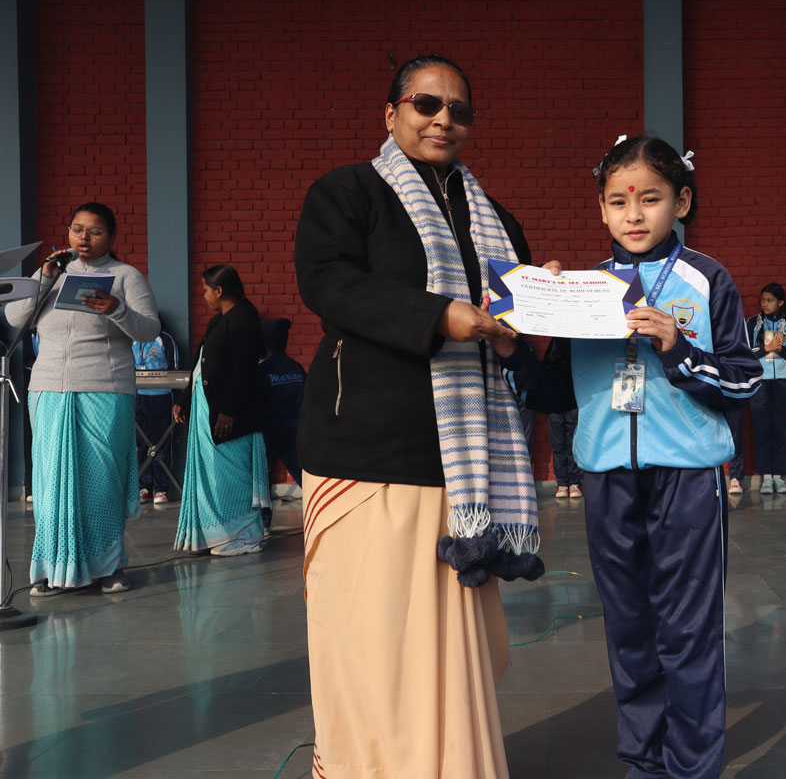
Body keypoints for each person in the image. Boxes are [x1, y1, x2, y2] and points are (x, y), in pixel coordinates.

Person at [294, 54, 541, 779]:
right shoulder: (347, 194)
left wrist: (538, 303)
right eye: (427, 104)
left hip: (461, 469)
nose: (443, 120)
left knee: (459, 649)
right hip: (365, 451)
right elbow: (328, 282)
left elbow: (512, 325)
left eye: (459, 110)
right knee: (370, 639)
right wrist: (440, 316)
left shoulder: (497, 221)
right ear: (392, 112)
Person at [494, 135, 762, 779]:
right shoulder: (581, 290)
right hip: (606, 477)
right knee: (629, 627)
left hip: (689, 477)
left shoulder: (707, 279)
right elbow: (553, 394)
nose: (634, 214)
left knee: (689, 629)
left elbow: (745, 381)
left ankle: (691, 768)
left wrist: (678, 349)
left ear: (682, 202)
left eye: (651, 199)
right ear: (601, 209)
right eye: (618, 201)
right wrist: (510, 349)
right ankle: (643, 763)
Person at [6, 202, 160, 595]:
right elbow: (16, 319)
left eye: (94, 231)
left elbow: (148, 330)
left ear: (112, 236)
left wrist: (117, 309)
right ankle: (52, 568)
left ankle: (108, 567)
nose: (84, 237)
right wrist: (44, 278)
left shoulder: (126, 276)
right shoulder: (52, 273)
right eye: (77, 229)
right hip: (49, 388)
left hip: (104, 387)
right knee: (51, 483)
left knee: (101, 481)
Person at [172, 265, 270, 556]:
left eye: (205, 290)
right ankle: (217, 535)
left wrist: (228, 411)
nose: (203, 296)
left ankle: (245, 536)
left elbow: (243, 370)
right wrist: (185, 399)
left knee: (231, 475)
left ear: (219, 290)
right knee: (214, 474)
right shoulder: (219, 320)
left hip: (229, 414)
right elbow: (200, 364)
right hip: (208, 411)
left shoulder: (243, 319)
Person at [747, 282, 786, 494]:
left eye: (770, 300)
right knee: (762, 429)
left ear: (781, 302)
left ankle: (778, 476)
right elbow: (745, 353)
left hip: (782, 381)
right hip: (760, 381)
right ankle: (766, 477)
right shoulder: (753, 323)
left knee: (780, 428)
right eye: (763, 300)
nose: (765, 304)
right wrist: (766, 348)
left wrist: (782, 350)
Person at [258, 317, 305, 515]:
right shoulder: (296, 367)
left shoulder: (261, 370)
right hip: (295, 429)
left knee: (263, 477)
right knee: (302, 474)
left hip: (270, 431)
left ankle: (264, 522)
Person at [133, 320, 180, 505]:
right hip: (139, 397)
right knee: (140, 444)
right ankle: (144, 487)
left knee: (160, 442)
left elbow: (174, 367)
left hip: (160, 397)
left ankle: (161, 488)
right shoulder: (133, 340)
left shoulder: (164, 339)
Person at [548, 410, 583, 498]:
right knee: (557, 445)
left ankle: (575, 483)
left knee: (573, 444)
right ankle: (562, 484)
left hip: (572, 405)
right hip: (552, 405)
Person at [723, 408, 746, 493]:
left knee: (735, 436)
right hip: (712, 399)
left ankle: (735, 477)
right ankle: (710, 477)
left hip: (733, 401)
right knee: (711, 434)